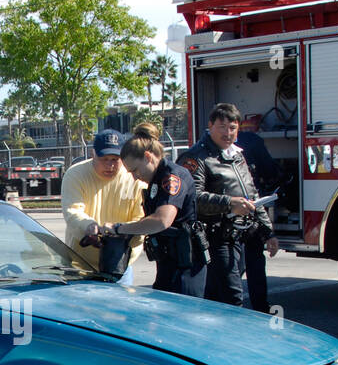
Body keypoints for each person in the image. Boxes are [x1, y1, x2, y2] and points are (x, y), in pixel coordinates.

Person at [177, 103, 260, 306]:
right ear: (210, 125)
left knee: (216, 297)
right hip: (214, 236)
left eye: (232, 128)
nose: (228, 133)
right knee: (232, 297)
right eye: (222, 127)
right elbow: (192, 198)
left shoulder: (236, 155)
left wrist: (268, 231)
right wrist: (229, 204)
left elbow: (251, 193)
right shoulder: (196, 157)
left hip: (238, 234)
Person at [111, 121, 206, 297]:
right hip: (168, 262)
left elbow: (162, 220)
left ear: (148, 156)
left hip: (185, 266)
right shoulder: (156, 178)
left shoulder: (172, 176)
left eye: (135, 170)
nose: (134, 177)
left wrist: (120, 228)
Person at [60, 129, 146, 284]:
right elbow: (72, 211)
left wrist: (120, 233)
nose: (110, 165)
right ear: (93, 154)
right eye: (104, 159)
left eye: (115, 159)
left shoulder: (135, 177)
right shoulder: (76, 174)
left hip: (120, 264)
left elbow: (141, 218)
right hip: (81, 266)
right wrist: (89, 226)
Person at [235, 121, 282, 313]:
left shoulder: (210, 150)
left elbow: (253, 196)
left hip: (247, 216)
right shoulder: (252, 142)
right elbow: (269, 172)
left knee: (245, 264)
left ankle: (243, 307)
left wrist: (268, 232)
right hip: (236, 221)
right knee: (248, 264)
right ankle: (259, 307)